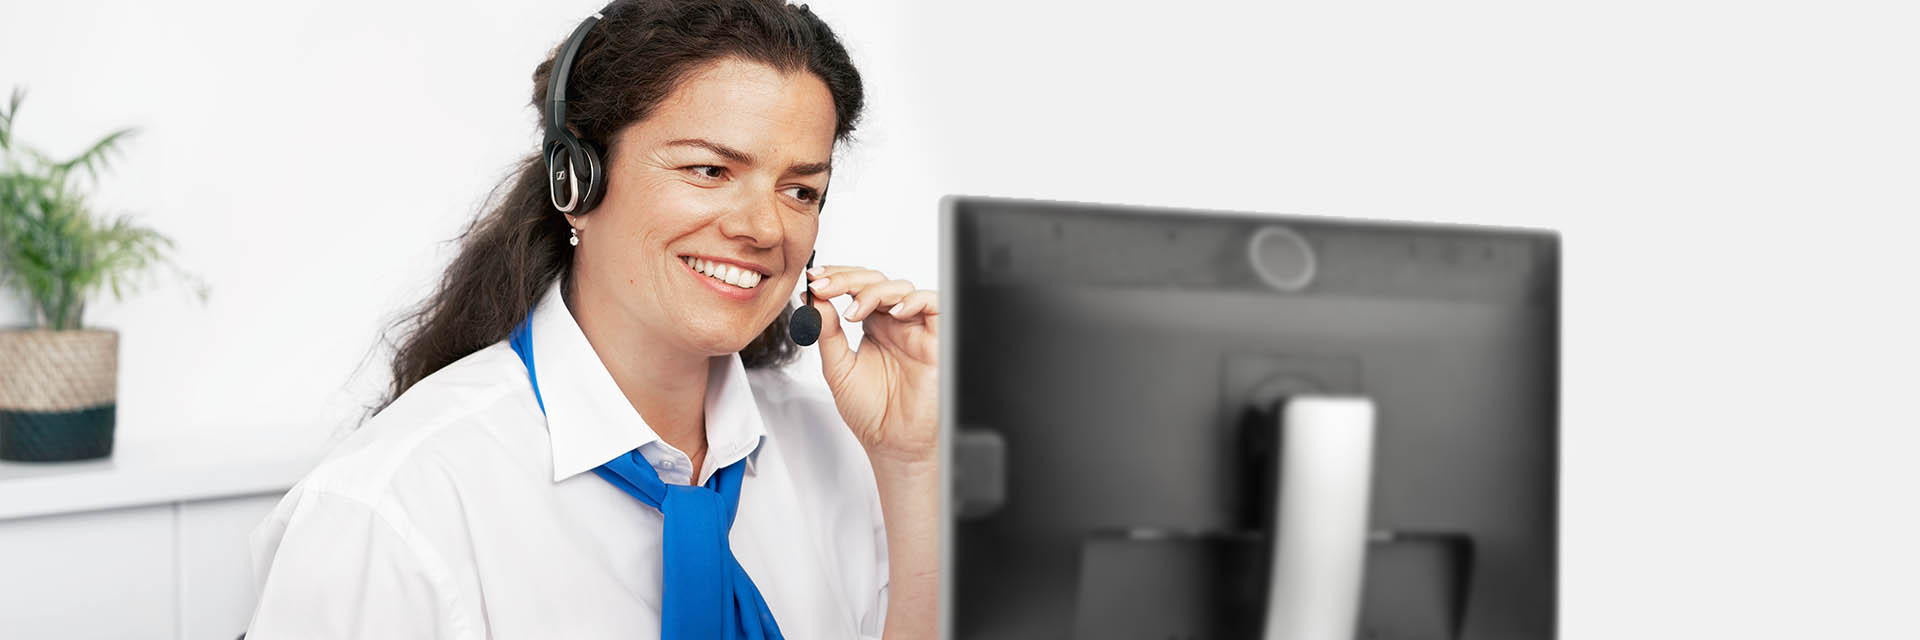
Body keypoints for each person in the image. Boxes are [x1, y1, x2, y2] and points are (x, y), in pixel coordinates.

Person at [245, 1, 938, 637]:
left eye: (800, 189)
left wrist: (910, 463)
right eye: (708, 171)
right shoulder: (390, 509)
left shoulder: (843, 451)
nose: (765, 228)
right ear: (574, 181)